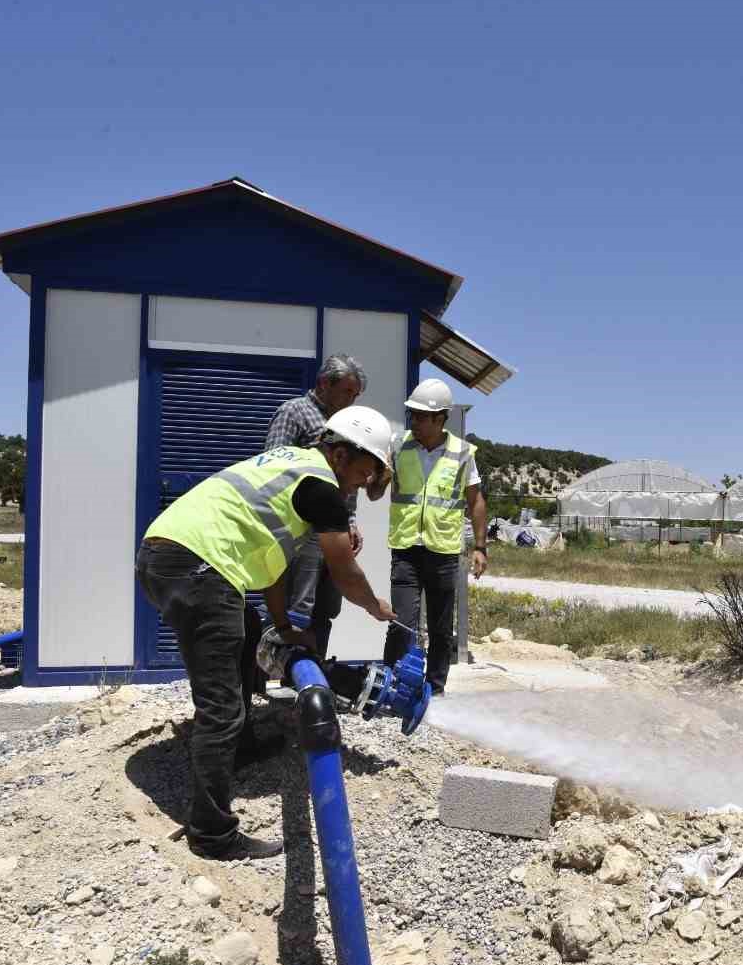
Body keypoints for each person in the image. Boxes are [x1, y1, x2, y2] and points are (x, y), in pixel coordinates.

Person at [136, 406, 398, 861]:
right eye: (363, 471)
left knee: (248, 626)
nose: (361, 483)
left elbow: (272, 568)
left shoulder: (291, 469)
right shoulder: (322, 488)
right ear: (340, 454)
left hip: (167, 555)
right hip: (198, 567)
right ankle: (212, 834)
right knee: (220, 707)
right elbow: (343, 569)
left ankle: (241, 746)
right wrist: (376, 607)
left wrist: (284, 628)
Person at [374, 378, 489, 696]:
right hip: (406, 549)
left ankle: (435, 690)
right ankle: (390, 688)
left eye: (422, 416)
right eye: (412, 414)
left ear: (441, 419)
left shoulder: (462, 453)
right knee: (401, 623)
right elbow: (373, 492)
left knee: (440, 629)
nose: (415, 421)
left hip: (443, 551)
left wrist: (480, 547)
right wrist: (381, 478)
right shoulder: (398, 446)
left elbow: (476, 501)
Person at [264, 354, 368, 658]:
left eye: (356, 395)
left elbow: (348, 478)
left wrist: (350, 520)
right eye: (347, 392)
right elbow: (272, 467)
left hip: (333, 531)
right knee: (296, 607)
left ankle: (313, 673)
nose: (351, 400)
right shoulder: (294, 412)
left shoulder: (348, 425)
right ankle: (271, 669)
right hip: (301, 533)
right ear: (324, 383)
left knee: (326, 607)